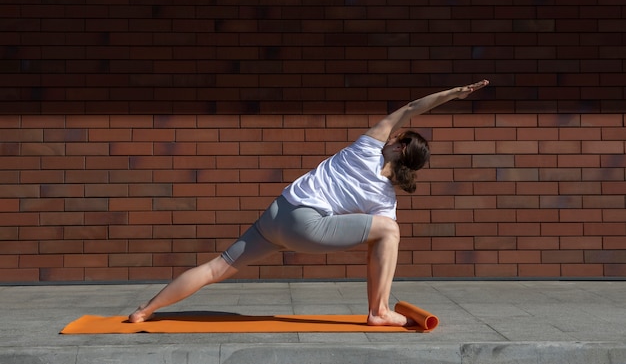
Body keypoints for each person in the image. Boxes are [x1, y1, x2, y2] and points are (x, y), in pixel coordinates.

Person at [129, 79, 489, 326]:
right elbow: (376, 247)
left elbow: (411, 107)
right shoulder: (385, 200)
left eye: (398, 136)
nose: (392, 134)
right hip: (305, 224)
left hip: (278, 212)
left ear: (399, 147)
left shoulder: (365, 147)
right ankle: (378, 310)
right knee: (390, 232)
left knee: (216, 268)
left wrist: (454, 94)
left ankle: (146, 310)